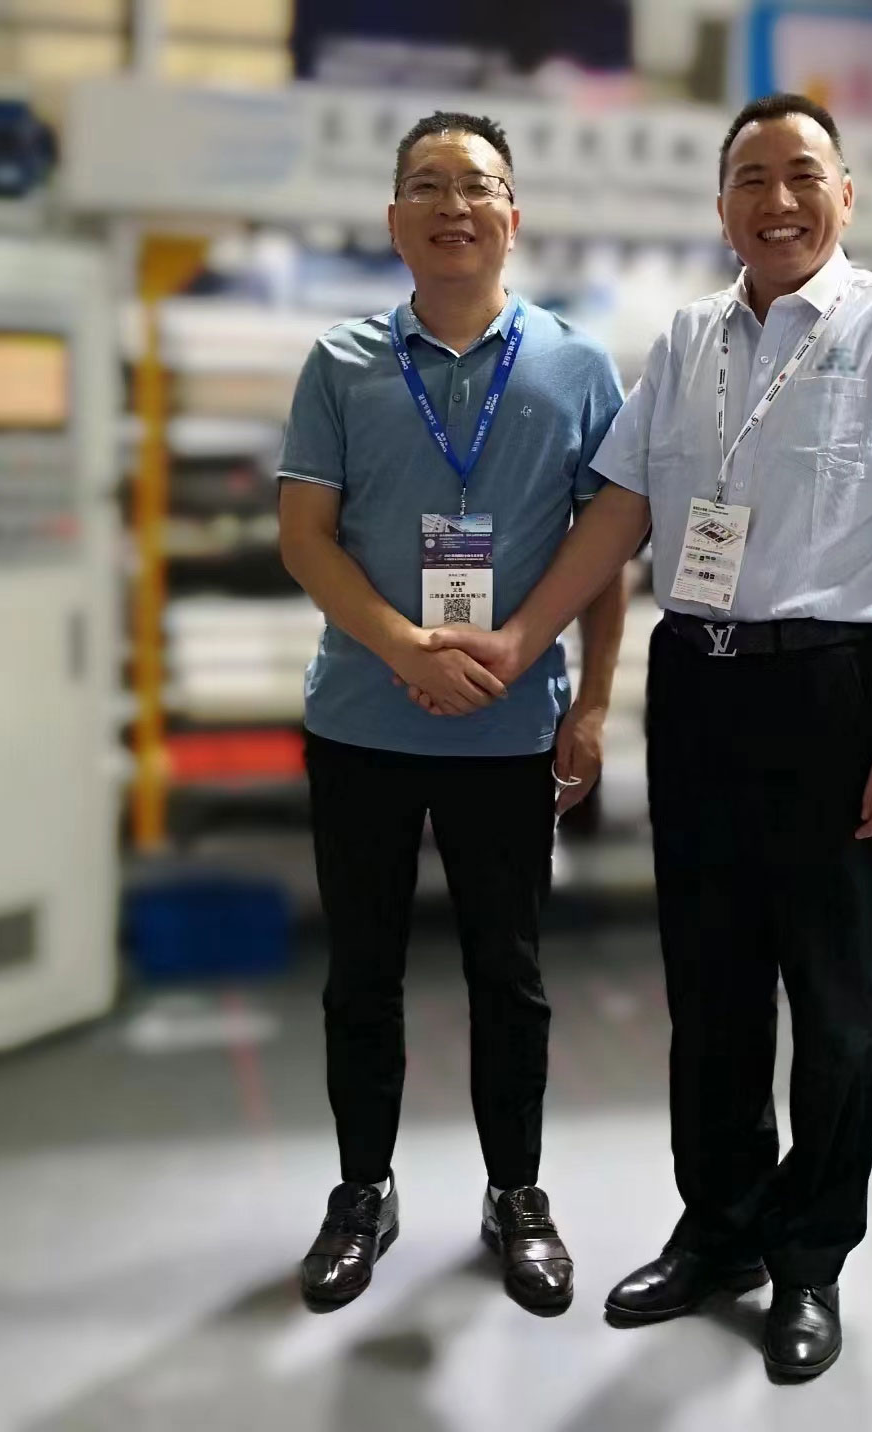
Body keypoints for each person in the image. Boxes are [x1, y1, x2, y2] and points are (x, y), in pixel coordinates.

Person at [420, 93, 872, 1374]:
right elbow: (622, 511)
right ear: (721, 204)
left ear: (846, 194)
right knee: (712, 985)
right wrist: (522, 639)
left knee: (831, 1001)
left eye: (802, 175)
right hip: (698, 685)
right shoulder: (688, 338)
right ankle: (721, 1229)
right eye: (751, 178)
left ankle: (811, 1258)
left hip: (829, 690)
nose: (777, 201)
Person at [277, 110, 626, 1317]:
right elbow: (305, 537)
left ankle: (515, 1193)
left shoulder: (577, 367)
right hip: (363, 721)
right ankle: (361, 1191)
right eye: (426, 186)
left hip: (510, 730)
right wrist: (405, 647)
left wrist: (594, 705)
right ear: (393, 221)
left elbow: (604, 551)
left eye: (475, 185)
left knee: (509, 974)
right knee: (361, 974)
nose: (452, 206)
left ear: (513, 217)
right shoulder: (340, 363)